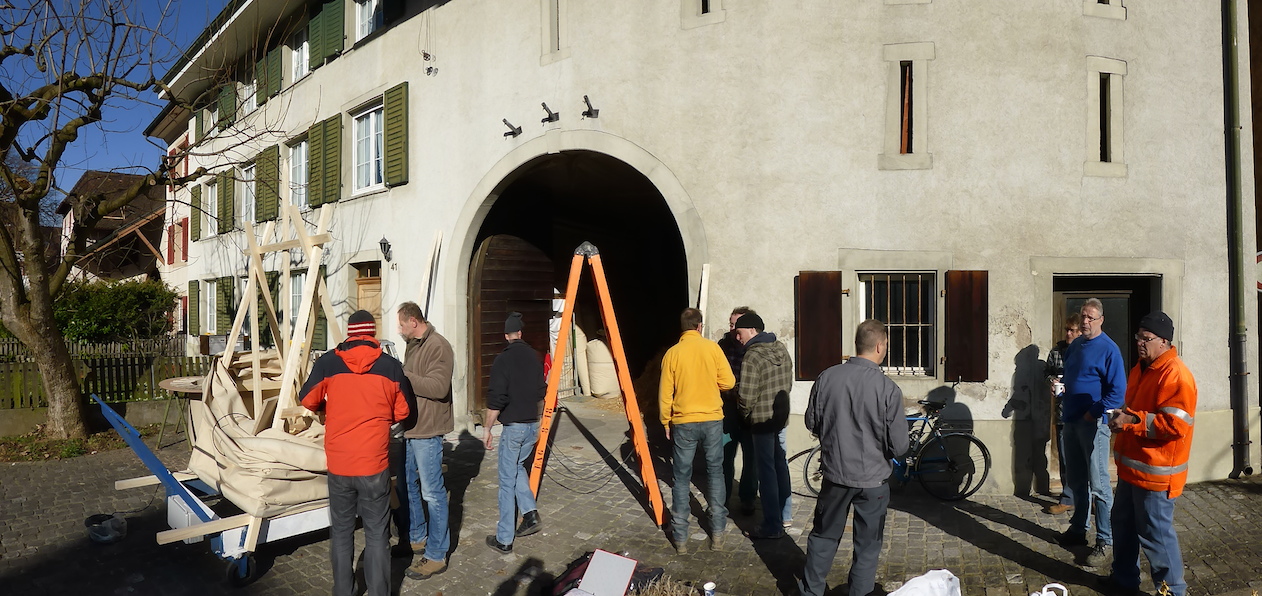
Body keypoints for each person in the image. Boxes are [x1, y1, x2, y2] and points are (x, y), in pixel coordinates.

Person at [300, 310, 412, 596]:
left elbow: (307, 399)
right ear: (372, 333)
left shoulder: (328, 363)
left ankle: (344, 591)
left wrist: (330, 406)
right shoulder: (390, 366)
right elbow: (403, 411)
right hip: (374, 463)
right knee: (377, 535)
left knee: (341, 532)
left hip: (339, 463)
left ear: (349, 333)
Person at [800, 320, 909, 596]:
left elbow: (812, 422)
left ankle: (811, 592)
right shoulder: (888, 389)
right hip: (873, 480)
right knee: (868, 545)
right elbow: (899, 446)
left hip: (835, 475)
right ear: (880, 346)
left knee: (823, 537)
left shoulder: (827, 377)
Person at [1102, 312, 1196, 596]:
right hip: (1132, 468)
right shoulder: (1140, 368)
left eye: (1146, 338)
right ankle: (1124, 580)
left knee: (1156, 537)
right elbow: (1137, 409)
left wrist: (1132, 421)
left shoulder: (1176, 375)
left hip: (1156, 475)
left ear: (1164, 341)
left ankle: (1173, 592)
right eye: (1138, 337)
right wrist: (1123, 415)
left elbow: (1176, 425)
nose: (1140, 343)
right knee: (1122, 525)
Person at [659, 307, 736, 554]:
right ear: (699, 326)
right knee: (715, 472)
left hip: (683, 421)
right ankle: (718, 533)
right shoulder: (712, 349)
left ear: (682, 328)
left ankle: (681, 538)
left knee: (681, 478)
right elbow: (729, 382)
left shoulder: (672, 353)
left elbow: (665, 393)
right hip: (712, 419)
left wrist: (665, 421)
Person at [1058, 298, 1126, 568]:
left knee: (1099, 485)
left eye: (1091, 318)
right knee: (1077, 480)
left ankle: (1105, 541)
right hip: (1071, 420)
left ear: (1101, 320)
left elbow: (1117, 393)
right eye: (1083, 316)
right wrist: (1060, 387)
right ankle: (1078, 530)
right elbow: (1071, 376)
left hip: (1094, 424)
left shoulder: (1109, 349)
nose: (1085, 321)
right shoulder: (1076, 345)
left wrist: (1093, 412)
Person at [396, 302, 454, 580]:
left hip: (428, 430)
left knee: (432, 493)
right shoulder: (414, 345)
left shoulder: (438, 346)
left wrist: (404, 375)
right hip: (411, 427)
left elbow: (438, 388)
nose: (399, 330)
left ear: (414, 322)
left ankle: (436, 555)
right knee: (408, 485)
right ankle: (418, 538)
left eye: (401, 325)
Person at [483, 312, 547, 553]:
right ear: (520, 333)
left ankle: (504, 539)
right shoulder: (534, 357)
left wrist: (488, 428)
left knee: (506, 481)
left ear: (506, 336)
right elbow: (541, 390)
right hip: (532, 425)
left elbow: (496, 398)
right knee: (518, 467)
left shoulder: (503, 360)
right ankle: (530, 514)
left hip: (514, 428)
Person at [733, 312, 794, 540]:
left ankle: (772, 525)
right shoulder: (781, 348)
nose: (737, 337)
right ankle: (785, 516)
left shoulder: (752, 356)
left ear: (751, 330)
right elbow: (788, 384)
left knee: (766, 473)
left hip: (760, 422)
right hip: (780, 418)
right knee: (781, 466)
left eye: (739, 332)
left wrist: (745, 416)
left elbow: (746, 397)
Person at [718, 306, 759, 516]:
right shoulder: (723, 346)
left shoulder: (756, 348)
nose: (733, 329)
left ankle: (748, 498)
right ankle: (722, 498)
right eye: (731, 324)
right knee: (725, 455)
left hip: (750, 410)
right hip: (728, 409)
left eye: (737, 325)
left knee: (751, 457)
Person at [1044, 313, 1082, 515]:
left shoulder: (1087, 351)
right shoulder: (1056, 352)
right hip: (1063, 413)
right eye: (1067, 329)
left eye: (1072, 330)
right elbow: (1047, 372)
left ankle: (1089, 498)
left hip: (1085, 414)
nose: (1068, 333)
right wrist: (1052, 382)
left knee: (1087, 459)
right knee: (1066, 458)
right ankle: (1068, 498)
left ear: (1080, 332)